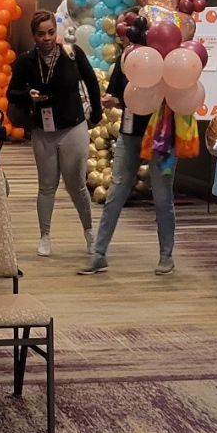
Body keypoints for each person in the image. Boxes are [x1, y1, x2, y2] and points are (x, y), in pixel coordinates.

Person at [8, 8, 101, 256]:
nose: (47, 38)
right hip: (43, 129)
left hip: (73, 125)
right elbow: (11, 93)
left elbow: (91, 82)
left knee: (77, 184)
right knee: (46, 185)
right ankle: (45, 236)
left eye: (51, 32)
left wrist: (97, 113)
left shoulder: (71, 54)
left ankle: (89, 232)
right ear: (34, 36)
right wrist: (29, 95)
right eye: (41, 34)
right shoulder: (26, 61)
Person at [78, 54, 175, 276]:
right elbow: (119, 95)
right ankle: (99, 254)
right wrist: (114, 101)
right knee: (115, 192)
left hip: (163, 136)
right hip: (129, 133)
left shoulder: (165, 58)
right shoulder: (126, 59)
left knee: (162, 197)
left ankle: (166, 256)